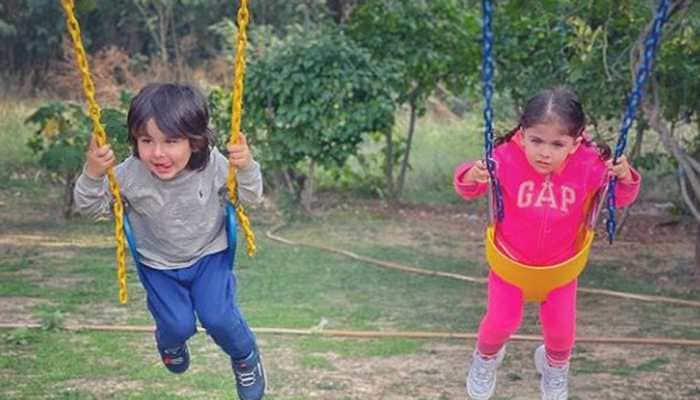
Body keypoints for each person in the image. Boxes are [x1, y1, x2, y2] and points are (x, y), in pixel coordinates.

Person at [74, 83, 266, 400]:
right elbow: (90, 208)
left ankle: (245, 359)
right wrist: (93, 174)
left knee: (218, 316)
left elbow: (250, 197)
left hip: (209, 256)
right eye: (146, 140)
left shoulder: (214, 165)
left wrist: (244, 167)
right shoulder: (129, 174)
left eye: (171, 141)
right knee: (177, 326)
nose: (158, 152)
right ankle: (170, 342)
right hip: (157, 265)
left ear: (195, 141)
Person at [454, 87, 641, 400]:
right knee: (499, 324)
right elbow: (468, 187)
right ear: (523, 134)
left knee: (561, 334)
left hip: (560, 268)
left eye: (558, 144)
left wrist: (625, 177)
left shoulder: (590, 164)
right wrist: (472, 175)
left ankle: (554, 369)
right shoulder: (504, 157)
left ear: (575, 142)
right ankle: (485, 359)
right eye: (536, 140)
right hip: (510, 263)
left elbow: (619, 199)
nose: (545, 152)